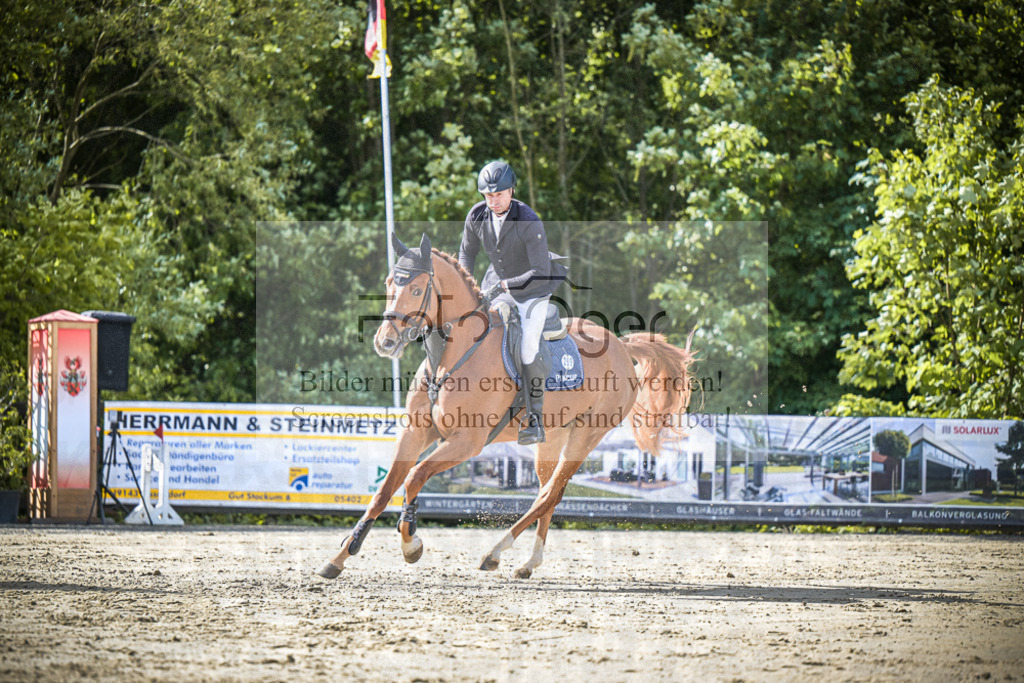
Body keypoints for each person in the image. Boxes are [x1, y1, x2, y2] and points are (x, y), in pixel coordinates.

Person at [459, 161, 567, 445]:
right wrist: (466, 286)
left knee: (529, 347)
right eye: (488, 195)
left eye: (500, 194)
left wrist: (506, 285)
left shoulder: (528, 220)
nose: (494, 201)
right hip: (497, 283)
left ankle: (534, 421)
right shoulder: (477, 215)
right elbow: (466, 255)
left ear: (511, 191)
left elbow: (540, 271)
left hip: (533, 288)